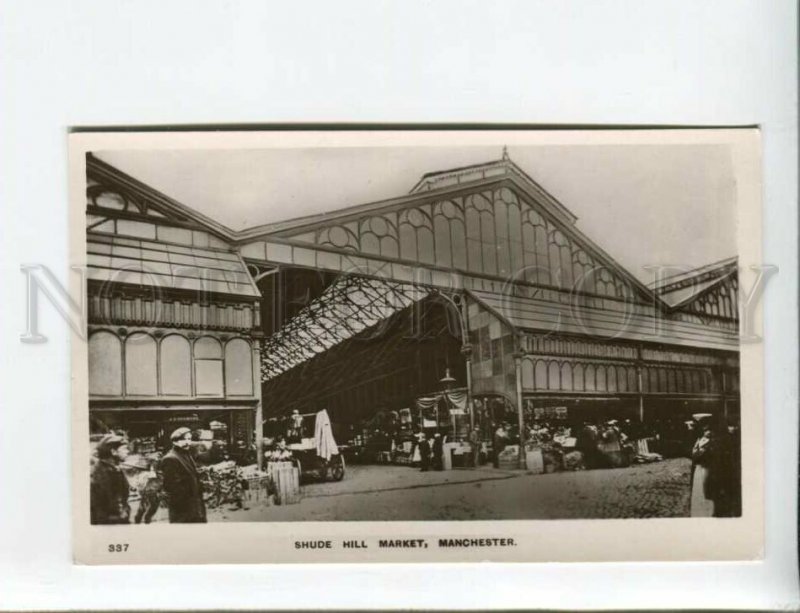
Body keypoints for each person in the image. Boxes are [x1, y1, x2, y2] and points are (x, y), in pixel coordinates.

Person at [160, 427, 207, 523]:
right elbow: (171, 486)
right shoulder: (170, 458)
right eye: (184, 439)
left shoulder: (186, 454)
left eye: (189, 439)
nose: (188, 442)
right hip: (183, 509)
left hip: (195, 505)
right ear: (175, 441)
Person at [90, 434, 132, 524]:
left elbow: (123, 498)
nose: (128, 451)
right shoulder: (97, 475)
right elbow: (96, 511)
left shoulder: (116, 470)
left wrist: (126, 511)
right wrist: (117, 518)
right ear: (113, 452)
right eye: (124, 449)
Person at [689, 419, 715, 517]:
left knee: (705, 491)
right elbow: (693, 454)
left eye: (709, 430)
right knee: (698, 491)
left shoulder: (712, 442)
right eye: (705, 430)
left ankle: (707, 513)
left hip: (706, 469)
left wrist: (698, 454)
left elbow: (701, 455)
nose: (707, 432)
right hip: (698, 469)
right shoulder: (699, 440)